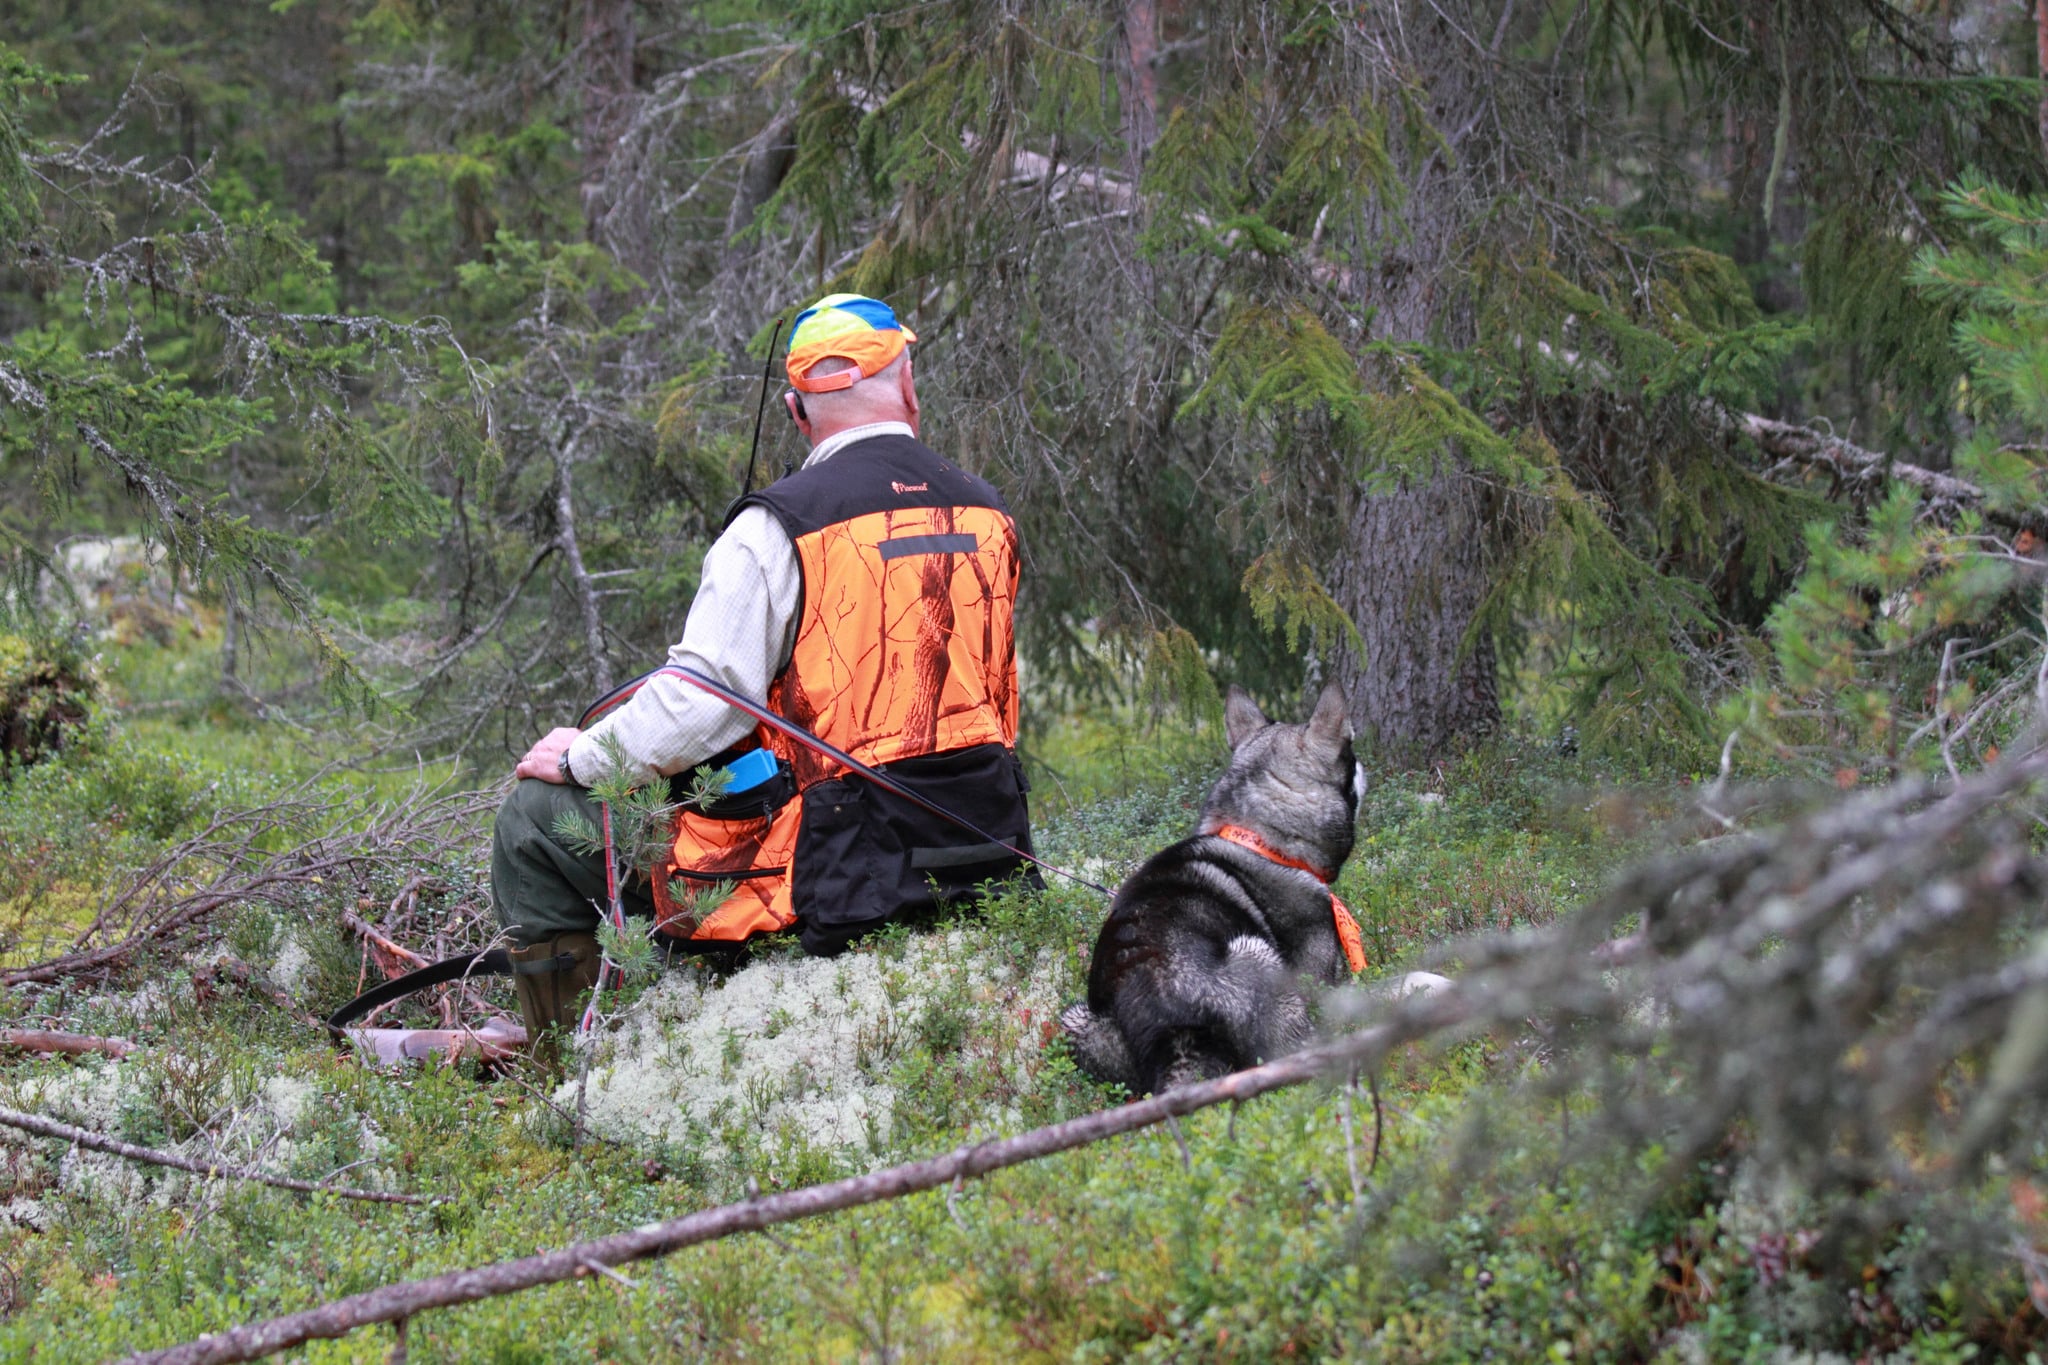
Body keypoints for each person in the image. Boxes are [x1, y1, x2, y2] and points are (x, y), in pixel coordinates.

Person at [490, 293, 1035, 1043]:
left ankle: (576, 1063)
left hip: (829, 872)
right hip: (983, 848)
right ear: (907, 387)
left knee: (531, 822)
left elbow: (705, 703)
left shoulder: (772, 528)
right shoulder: (990, 514)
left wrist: (582, 756)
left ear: (796, 410)